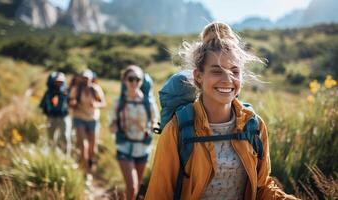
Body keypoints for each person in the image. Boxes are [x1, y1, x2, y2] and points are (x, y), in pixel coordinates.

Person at [145, 22, 298, 200]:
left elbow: (262, 187)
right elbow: (159, 193)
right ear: (198, 76)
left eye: (235, 71)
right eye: (217, 71)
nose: (228, 79)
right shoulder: (177, 129)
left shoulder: (253, 126)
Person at [109, 65, 159, 200]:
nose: (134, 82)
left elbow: (155, 121)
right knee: (132, 186)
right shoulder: (119, 102)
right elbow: (112, 122)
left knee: (135, 187)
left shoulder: (149, 103)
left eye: (138, 79)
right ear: (124, 80)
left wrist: (154, 127)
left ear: (142, 81)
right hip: (124, 147)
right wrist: (113, 126)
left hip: (143, 148)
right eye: (131, 79)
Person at [69, 69, 106, 174]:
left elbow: (103, 103)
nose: (85, 80)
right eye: (83, 78)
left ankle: (89, 164)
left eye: (87, 78)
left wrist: (96, 105)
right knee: (83, 146)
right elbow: (70, 101)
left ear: (91, 79)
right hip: (79, 118)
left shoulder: (96, 89)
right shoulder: (76, 89)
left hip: (93, 119)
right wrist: (73, 103)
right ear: (80, 79)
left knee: (92, 148)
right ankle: (86, 171)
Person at [40, 71, 72, 156]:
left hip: (63, 117)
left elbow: (70, 102)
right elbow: (43, 105)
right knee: (51, 137)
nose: (59, 83)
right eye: (57, 81)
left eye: (61, 82)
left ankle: (65, 156)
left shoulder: (65, 92)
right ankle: (52, 155)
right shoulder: (49, 93)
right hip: (51, 117)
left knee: (65, 136)